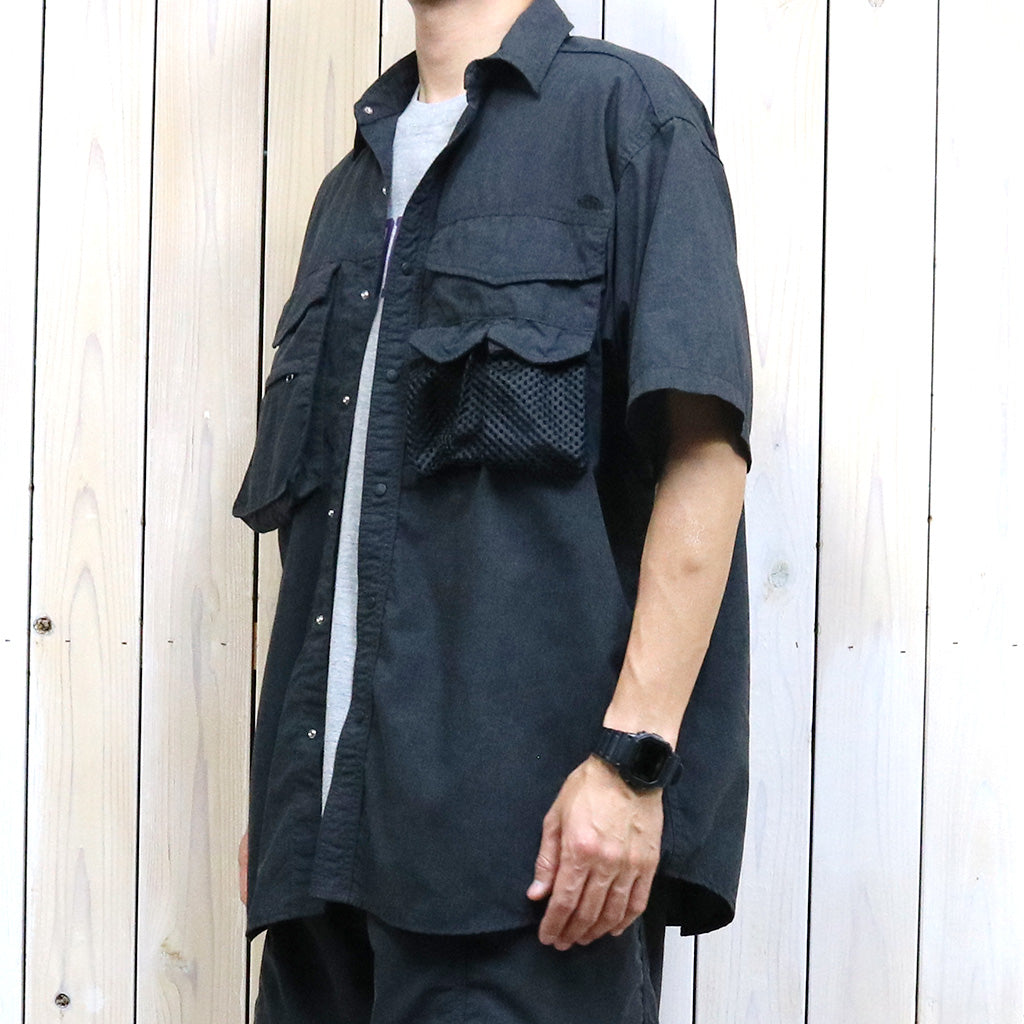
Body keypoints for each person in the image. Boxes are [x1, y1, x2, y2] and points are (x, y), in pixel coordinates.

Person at [233, 0, 752, 1019]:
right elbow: (334, 532)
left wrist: (632, 765)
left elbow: (704, 455)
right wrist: (293, 802)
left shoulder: (627, 118)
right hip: (321, 875)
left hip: (528, 872)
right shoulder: (347, 192)